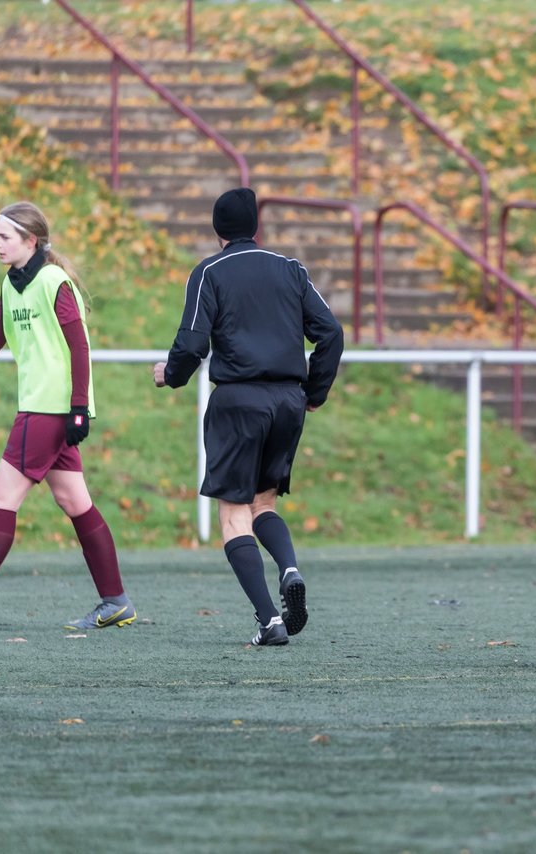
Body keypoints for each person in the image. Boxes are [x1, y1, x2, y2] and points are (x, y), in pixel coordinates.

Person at [152, 187, 343, 646]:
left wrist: (170, 375)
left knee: (234, 514)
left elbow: (194, 344)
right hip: (288, 401)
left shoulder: (208, 272)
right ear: (256, 226)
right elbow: (331, 332)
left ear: (218, 230)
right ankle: (290, 568)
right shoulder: (290, 269)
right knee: (265, 503)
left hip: (239, 402)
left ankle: (269, 621)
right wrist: (314, 392)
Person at [0, 201, 137, 630]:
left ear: (30, 240)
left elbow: (79, 346)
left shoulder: (53, 281)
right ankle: (116, 601)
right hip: (43, 410)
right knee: (74, 501)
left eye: (4, 237)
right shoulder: (11, 285)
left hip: (47, 411)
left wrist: (80, 409)